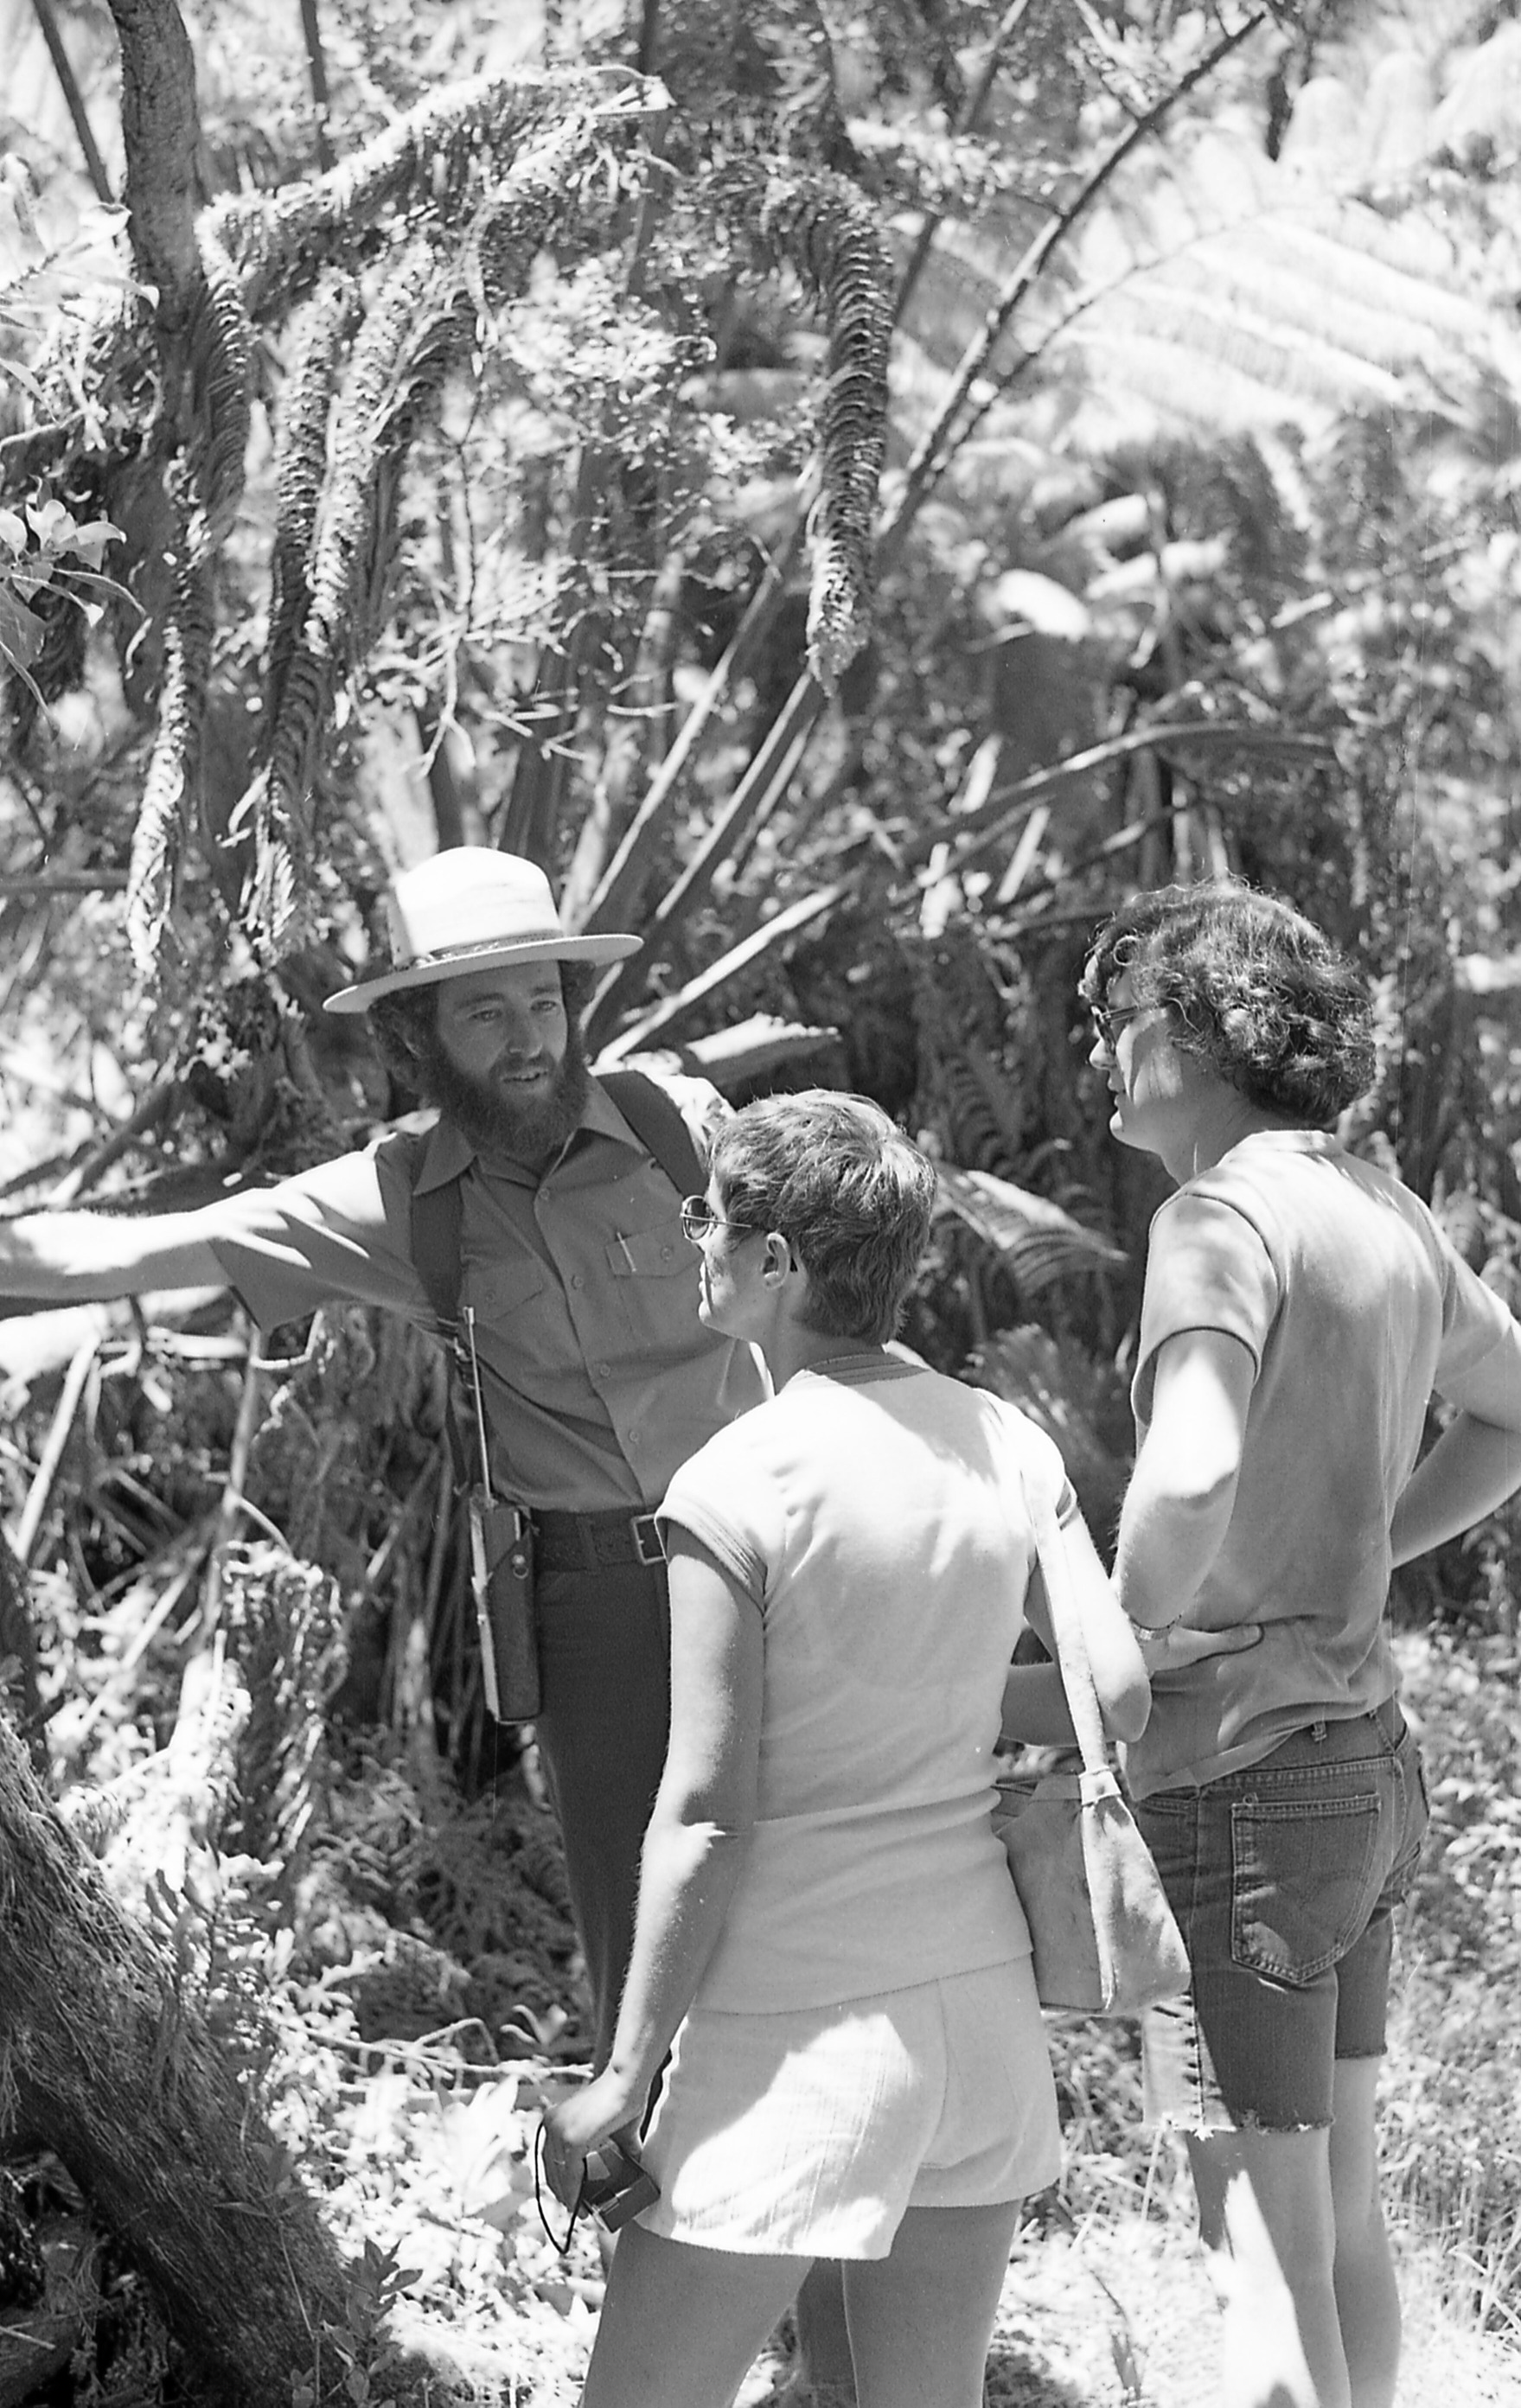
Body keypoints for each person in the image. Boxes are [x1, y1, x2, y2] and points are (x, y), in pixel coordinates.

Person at [0, 846, 764, 2078]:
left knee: (815, 1909)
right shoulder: (405, 1196)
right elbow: (142, 1252)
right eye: (484, 1011)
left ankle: (839, 2242)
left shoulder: (687, 1131)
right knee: (642, 1958)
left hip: (773, 1568)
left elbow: (835, 1308)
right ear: (418, 1040)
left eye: (543, 1002)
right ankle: (660, 2203)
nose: (526, 1039)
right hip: (596, 1608)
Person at [540, 1091, 1152, 2408]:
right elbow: (1117, 1689)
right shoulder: (1004, 1438)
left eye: (713, 1212)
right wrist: (940, 1696)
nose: (694, 1233)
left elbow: (705, 1809)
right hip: (979, 2031)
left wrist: (626, 2073)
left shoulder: (736, 1482)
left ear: (780, 1263)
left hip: (794, 2033)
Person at [1083, 881, 1521, 2408]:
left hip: (1243, 1777)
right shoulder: (1381, 1205)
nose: (1099, 1056)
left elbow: (1191, 1464)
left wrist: (1119, 1632)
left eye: (1115, 1017)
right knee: (1336, 2211)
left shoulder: (1214, 1216)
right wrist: (1369, 1545)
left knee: (1252, 2246)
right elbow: (1512, 1405)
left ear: (1197, 1033)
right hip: (1363, 1770)